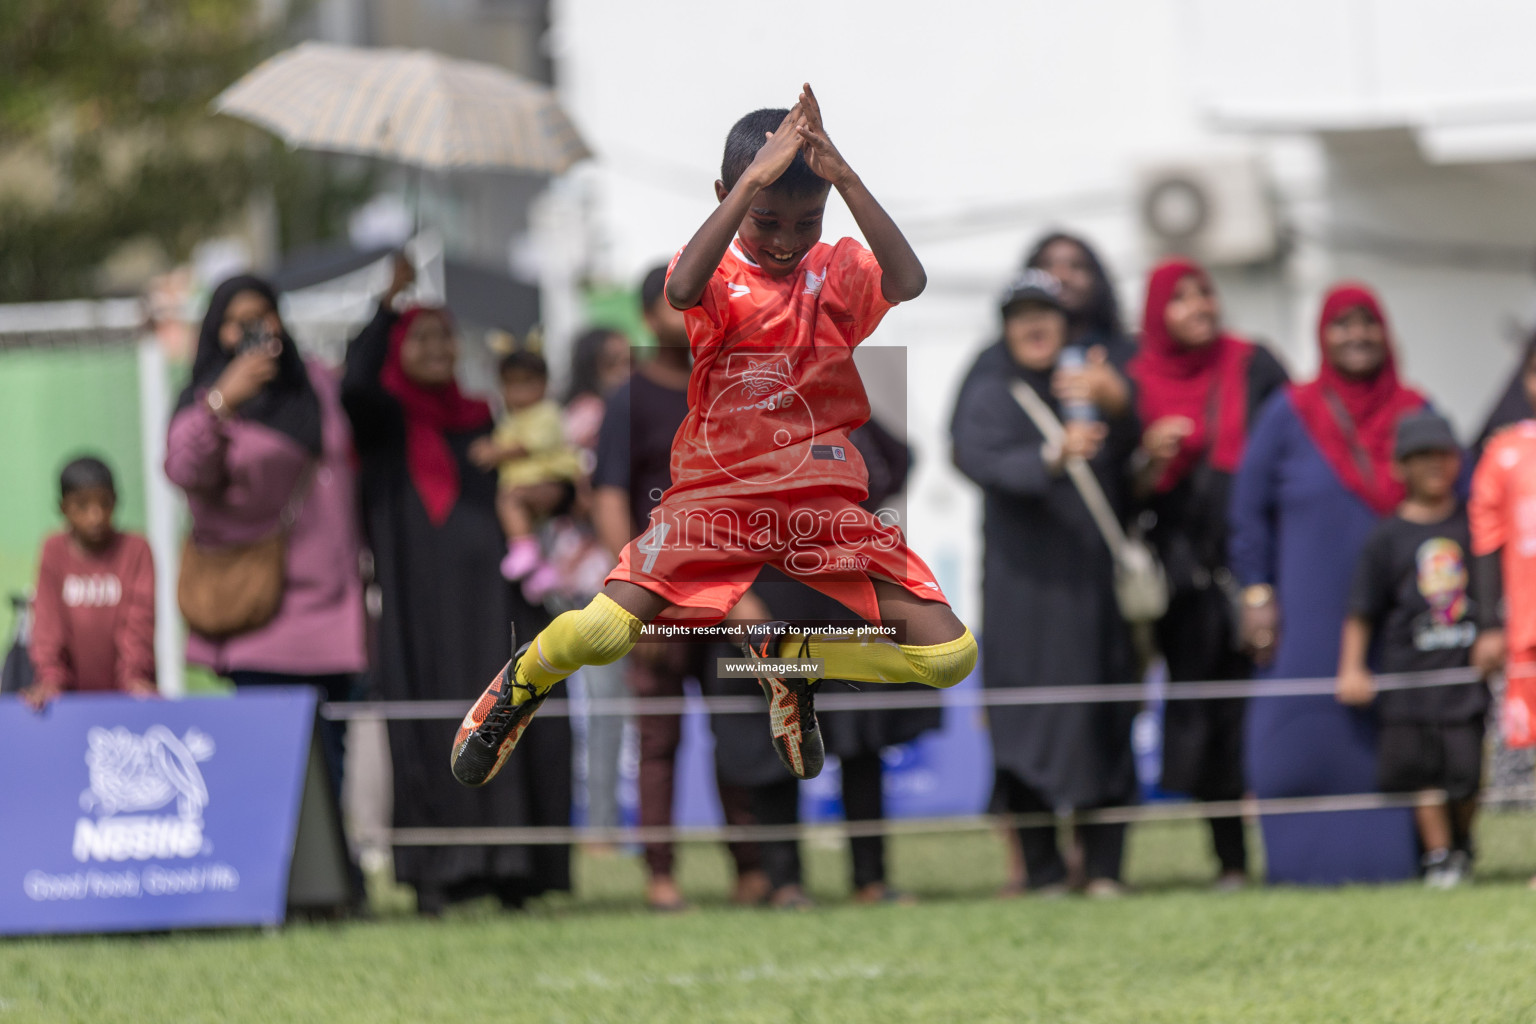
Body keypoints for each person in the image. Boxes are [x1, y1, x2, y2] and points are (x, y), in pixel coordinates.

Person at [452, 85, 976, 795]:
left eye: (805, 221)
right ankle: (525, 676)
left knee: (949, 655)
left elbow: (908, 280)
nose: (788, 240)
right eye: (767, 220)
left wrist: (844, 176)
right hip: (715, 503)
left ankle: (788, 659)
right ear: (729, 195)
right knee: (605, 635)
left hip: (822, 506)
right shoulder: (716, 279)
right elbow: (679, 290)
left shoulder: (839, 271)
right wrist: (753, 183)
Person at [342, 257, 570, 914]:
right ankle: (440, 876)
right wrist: (386, 303)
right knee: (429, 732)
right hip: (418, 613)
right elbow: (355, 381)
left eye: (446, 338)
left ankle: (513, 869)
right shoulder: (382, 421)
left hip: (494, 606)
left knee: (511, 720)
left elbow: (550, 480)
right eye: (422, 338)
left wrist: (553, 491)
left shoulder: (482, 419)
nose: (438, 350)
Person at [1229, 281, 1427, 884]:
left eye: (1367, 322)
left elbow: (1454, 501)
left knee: (1405, 733)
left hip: (1399, 613)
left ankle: (1413, 859)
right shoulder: (1291, 411)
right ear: (1322, 335)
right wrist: (1257, 592)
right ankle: (1297, 864)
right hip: (1306, 612)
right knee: (1293, 736)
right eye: (1342, 324)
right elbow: (1246, 509)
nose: (1357, 336)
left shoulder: (1415, 412)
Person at [951, 270, 1142, 897]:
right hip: (1022, 594)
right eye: (1021, 315)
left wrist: (1125, 413)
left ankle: (1106, 869)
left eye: (1047, 313)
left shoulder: (1093, 379)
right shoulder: (990, 389)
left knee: (1103, 723)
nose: (1035, 326)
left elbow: (1133, 471)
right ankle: (1045, 871)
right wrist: (1048, 459)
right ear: (1005, 327)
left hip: (1093, 593)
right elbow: (973, 456)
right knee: (1022, 728)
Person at [588, 264, 768, 911]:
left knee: (738, 731)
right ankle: (660, 876)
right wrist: (638, 597)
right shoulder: (628, 397)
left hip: (728, 594)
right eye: (675, 303)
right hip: (659, 596)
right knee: (659, 739)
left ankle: (752, 869)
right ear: (647, 318)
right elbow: (609, 498)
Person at [717, 417, 938, 907]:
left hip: (843, 600)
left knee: (862, 741)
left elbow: (899, 458)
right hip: (765, 599)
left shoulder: (838, 409)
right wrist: (734, 600)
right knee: (772, 740)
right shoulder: (729, 417)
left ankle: (871, 880)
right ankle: (785, 884)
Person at [164, 274, 366, 795]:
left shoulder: (316, 385)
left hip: (334, 610)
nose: (255, 331)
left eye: (265, 316)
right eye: (238, 322)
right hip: (262, 613)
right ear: (217, 333)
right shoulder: (207, 403)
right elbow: (182, 469)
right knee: (276, 777)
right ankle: (285, 878)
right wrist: (221, 401)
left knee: (331, 770)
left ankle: (335, 878)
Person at [1130, 259, 1289, 888]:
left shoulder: (1254, 364)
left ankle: (1295, 847)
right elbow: (1126, 486)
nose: (1199, 306)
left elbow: (1288, 446)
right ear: (1155, 312)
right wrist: (1149, 457)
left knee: (1270, 712)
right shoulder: (1133, 379)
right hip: (1185, 579)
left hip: (1260, 560)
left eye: (1206, 293)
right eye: (1181, 298)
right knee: (1207, 715)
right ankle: (1230, 862)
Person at [1338, 410, 1490, 888]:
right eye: (1420, 456)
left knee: (1466, 772)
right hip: (1409, 675)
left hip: (1462, 673)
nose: (1433, 466)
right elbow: (1362, 608)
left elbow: (1493, 589)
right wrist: (1352, 667)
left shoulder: (1474, 525)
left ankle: (1462, 842)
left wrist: (1495, 633)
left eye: (1441, 456)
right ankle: (1440, 855)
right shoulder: (1387, 536)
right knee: (1422, 773)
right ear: (1400, 466)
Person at [23, 456, 156, 709]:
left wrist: (134, 678)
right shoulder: (53, 551)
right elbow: (47, 624)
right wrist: (51, 679)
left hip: (128, 698)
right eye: (82, 506)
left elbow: (140, 622)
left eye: (104, 504)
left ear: (116, 501)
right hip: (67, 701)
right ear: (63, 508)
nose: (95, 516)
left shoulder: (136, 549)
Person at [469, 349, 582, 582]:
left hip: (548, 479)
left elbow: (528, 445)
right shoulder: (509, 418)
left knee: (511, 499)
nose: (519, 393)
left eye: (527, 383)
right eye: (512, 385)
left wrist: (494, 452)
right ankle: (541, 571)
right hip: (525, 484)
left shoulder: (546, 412)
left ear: (544, 384)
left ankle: (524, 549)